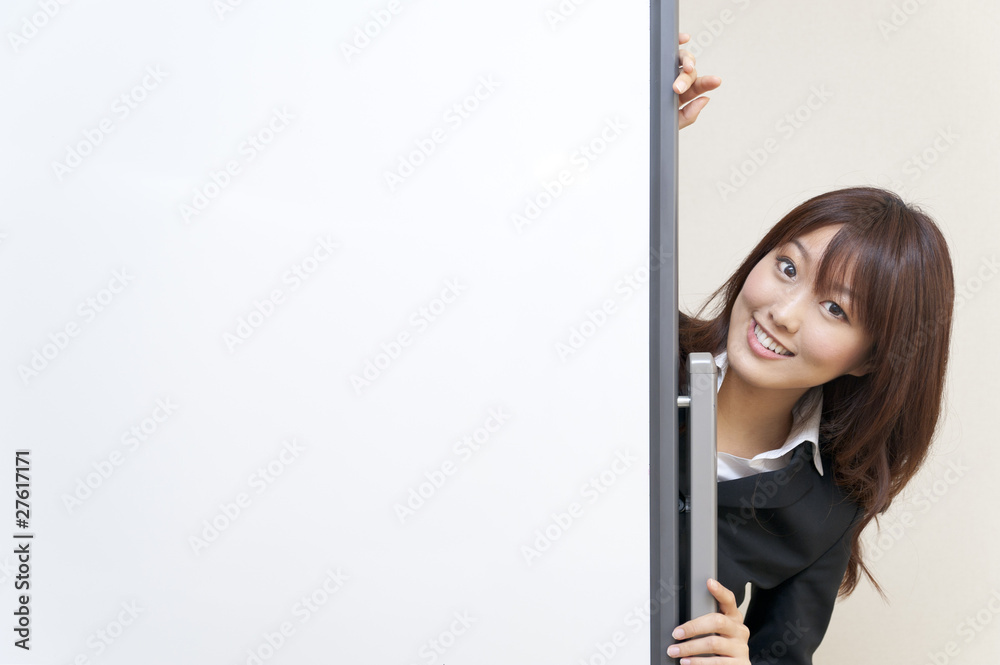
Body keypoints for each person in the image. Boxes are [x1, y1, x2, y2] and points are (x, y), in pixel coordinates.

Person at [664, 34, 955, 665]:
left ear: (871, 358)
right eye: (788, 268)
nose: (782, 312)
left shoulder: (824, 514)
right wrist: (644, 124)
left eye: (835, 308)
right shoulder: (637, 340)